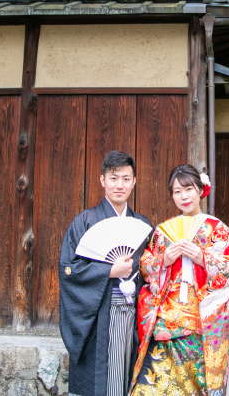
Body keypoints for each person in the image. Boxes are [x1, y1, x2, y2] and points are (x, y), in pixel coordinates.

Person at [130, 164, 229, 396]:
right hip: (167, 320)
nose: (183, 196)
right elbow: (145, 267)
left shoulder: (216, 229)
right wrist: (164, 261)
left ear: (201, 190)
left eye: (188, 189)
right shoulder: (163, 232)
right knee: (153, 386)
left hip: (201, 322)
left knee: (199, 385)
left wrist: (203, 258)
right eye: (176, 191)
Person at [59, 150, 154, 396]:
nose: (119, 185)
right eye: (113, 178)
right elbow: (68, 269)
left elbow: (153, 273)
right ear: (102, 181)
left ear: (134, 182)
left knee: (127, 376)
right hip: (97, 314)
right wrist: (109, 270)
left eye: (125, 178)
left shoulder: (143, 226)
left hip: (131, 314)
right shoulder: (85, 221)